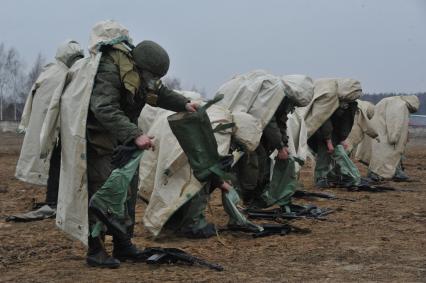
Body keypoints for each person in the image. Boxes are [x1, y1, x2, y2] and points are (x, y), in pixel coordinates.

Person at [15, 39, 84, 212]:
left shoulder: (50, 73)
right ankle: (54, 200)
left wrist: (26, 121)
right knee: (58, 163)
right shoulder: (61, 75)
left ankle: (55, 199)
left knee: (57, 163)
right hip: (56, 128)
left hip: (49, 127)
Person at [303, 78, 363, 188]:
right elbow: (324, 119)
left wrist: (341, 139)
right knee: (325, 152)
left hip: (332, 132)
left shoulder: (348, 103)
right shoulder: (329, 99)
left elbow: (344, 123)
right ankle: (323, 177)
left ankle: (338, 177)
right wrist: (328, 140)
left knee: (334, 153)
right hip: (320, 130)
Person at [368, 95, 419, 181]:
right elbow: (395, 123)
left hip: (378, 130)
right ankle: (383, 173)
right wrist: (394, 137)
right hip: (387, 134)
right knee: (388, 153)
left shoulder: (391, 100)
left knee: (378, 153)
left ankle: (391, 171)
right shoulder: (401, 106)